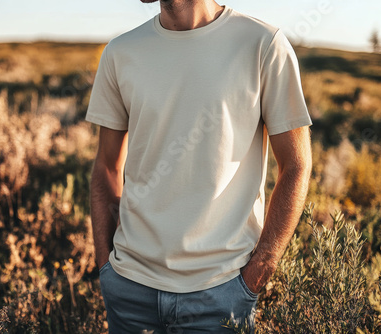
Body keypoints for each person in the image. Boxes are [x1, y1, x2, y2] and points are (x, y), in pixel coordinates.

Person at [86, 0, 313, 332]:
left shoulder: (263, 44)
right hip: (130, 291)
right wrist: (105, 266)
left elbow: (296, 165)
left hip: (221, 297)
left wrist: (255, 276)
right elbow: (106, 166)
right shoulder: (121, 52)